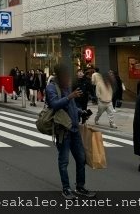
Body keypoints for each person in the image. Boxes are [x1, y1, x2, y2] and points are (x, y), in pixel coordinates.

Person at [45, 65, 95, 200]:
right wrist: (70, 96)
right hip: (63, 130)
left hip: (74, 129)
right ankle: (66, 189)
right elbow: (54, 104)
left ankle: (80, 186)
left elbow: (71, 106)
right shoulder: (51, 87)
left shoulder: (67, 86)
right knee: (64, 161)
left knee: (81, 158)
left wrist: (81, 112)